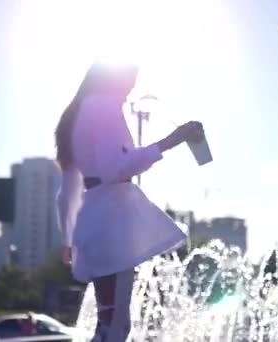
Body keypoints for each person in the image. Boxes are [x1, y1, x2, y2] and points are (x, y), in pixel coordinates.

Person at [54, 62, 204, 341]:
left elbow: (66, 193)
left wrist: (69, 239)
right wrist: (170, 141)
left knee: (109, 321)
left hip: (94, 221)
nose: (129, 92)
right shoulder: (103, 108)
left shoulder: (76, 116)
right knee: (116, 326)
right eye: (128, 83)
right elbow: (115, 168)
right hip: (113, 222)